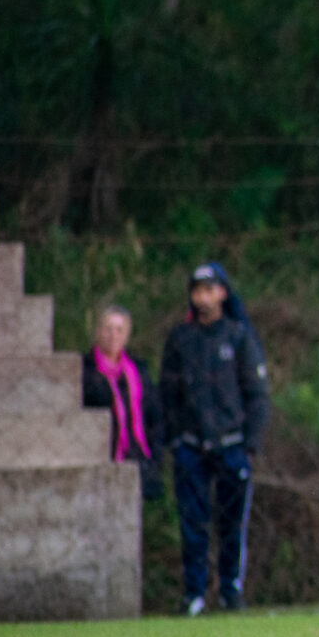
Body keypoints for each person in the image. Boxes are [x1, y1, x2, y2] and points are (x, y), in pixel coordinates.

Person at [159, 262, 270, 615]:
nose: (203, 297)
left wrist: (250, 443)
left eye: (209, 289)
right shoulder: (181, 339)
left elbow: (257, 395)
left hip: (232, 445)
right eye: (197, 290)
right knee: (193, 523)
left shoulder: (238, 337)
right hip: (191, 446)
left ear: (222, 293)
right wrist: (175, 439)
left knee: (231, 524)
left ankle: (230, 590)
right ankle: (194, 593)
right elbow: (168, 395)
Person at [80, 304, 165, 501]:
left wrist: (155, 455)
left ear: (127, 334)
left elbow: (154, 413)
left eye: (119, 330)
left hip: (138, 458)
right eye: (108, 329)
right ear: (98, 332)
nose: (113, 335)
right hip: (103, 457)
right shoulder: (85, 370)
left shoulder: (138, 371)